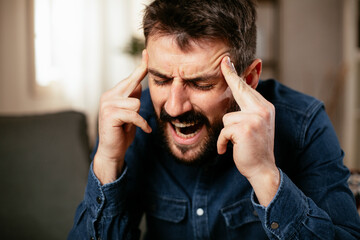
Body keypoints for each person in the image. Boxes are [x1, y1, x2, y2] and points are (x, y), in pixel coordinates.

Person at [68, 0, 360, 239]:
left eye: (201, 84)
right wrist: (107, 160)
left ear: (249, 78)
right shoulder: (130, 122)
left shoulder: (304, 123)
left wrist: (264, 174)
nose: (174, 106)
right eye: (160, 79)